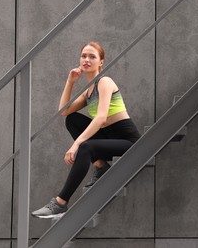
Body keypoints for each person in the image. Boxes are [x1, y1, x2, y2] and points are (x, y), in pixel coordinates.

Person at [31, 42, 140, 218]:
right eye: (83, 56)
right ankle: (101, 166)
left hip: (129, 142)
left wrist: (76, 144)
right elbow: (63, 111)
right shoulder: (88, 91)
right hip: (109, 138)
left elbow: (101, 118)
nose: (86, 60)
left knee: (85, 147)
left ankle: (60, 203)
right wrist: (70, 82)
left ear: (101, 62)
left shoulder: (105, 81)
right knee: (72, 119)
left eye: (92, 56)